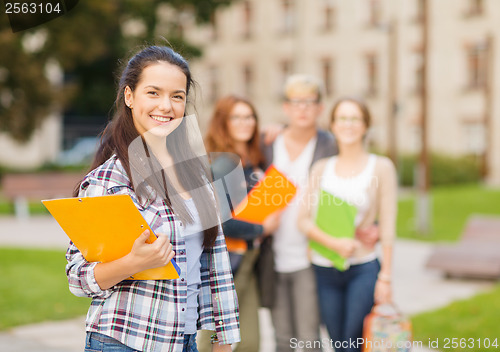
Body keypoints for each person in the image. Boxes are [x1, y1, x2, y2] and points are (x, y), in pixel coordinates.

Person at [65, 45, 240, 352]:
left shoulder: (197, 175)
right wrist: (133, 262)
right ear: (129, 97)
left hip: (184, 341)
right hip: (125, 341)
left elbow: (213, 264)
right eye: (153, 93)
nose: (166, 106)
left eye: (177, 96)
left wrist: (222, 337)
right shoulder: (111, 181)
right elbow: (78, 278)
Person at [297, 97, 397, 352]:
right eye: (342, 118)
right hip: (324, 268)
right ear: (333, 124)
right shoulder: (321, 168)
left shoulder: (381, 167)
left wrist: (385, 278)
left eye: (355, 118)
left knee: (352, 343)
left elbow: (387, 227)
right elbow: (303, 220)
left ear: (365, 125)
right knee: (338, 342)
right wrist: (335, 243)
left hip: (362, 268)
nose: (348, 124)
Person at [260, 74, 337, 352]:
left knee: (308, 339)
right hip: (272, 254)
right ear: (285, 107)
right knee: (282, 339)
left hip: (309, 255)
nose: (302, 108)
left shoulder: (331, 145)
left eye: (309, 102)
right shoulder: (267, 143)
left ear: (320, 107)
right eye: (296, 102)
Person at [198, 95, 281, 352]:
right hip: (227, 264)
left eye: (249, 117)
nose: (245, 123)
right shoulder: (223, 164)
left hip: (249, 261)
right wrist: (262, 229)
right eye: (237, 117)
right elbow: (219, 222)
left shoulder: (253, 157)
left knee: (250, 343)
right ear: (224, 123)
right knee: (215, 342)